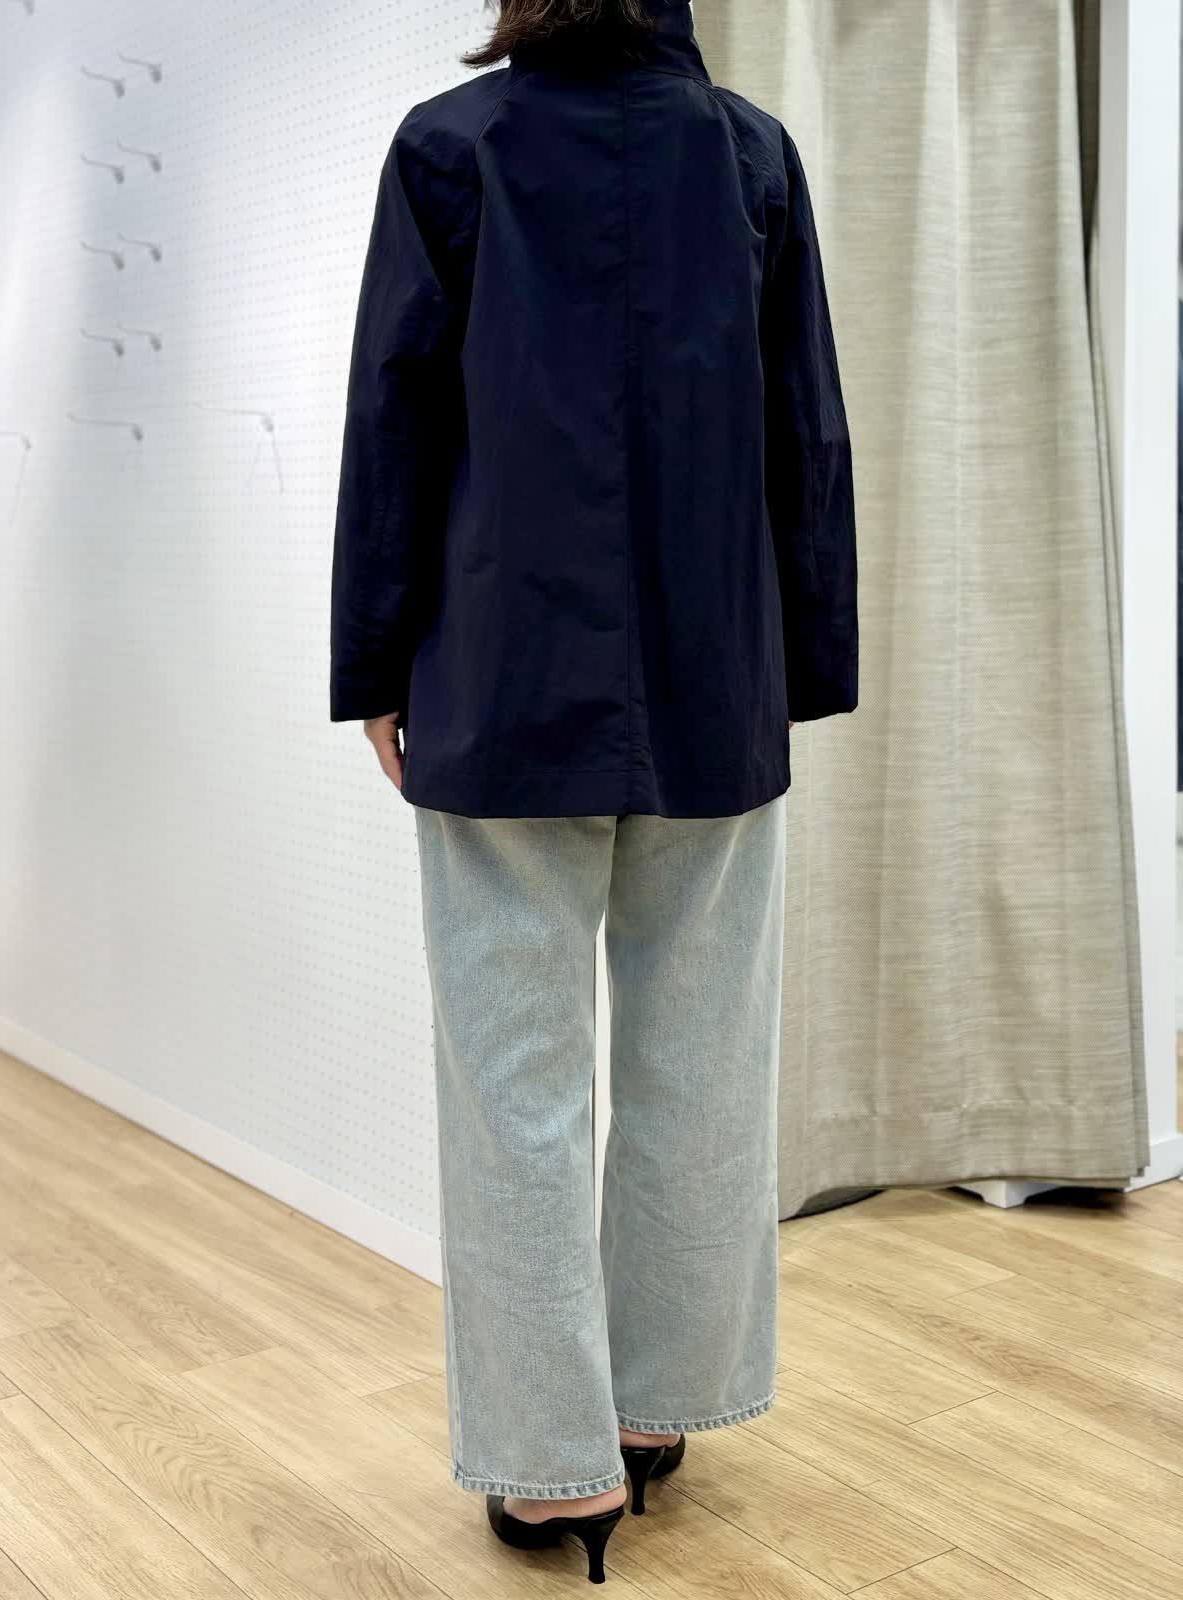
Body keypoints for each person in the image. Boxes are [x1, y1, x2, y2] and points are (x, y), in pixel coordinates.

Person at [329, 0, 857, 1582]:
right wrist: (801, 663)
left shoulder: (451, 148)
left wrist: (374, 661)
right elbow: (807, 427)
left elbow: (394, 416)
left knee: (514, 1088)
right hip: (710, 684)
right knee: (704, 1063)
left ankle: (552, 1471)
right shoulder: (749, 155)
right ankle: (651, 1411)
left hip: (499, 681)